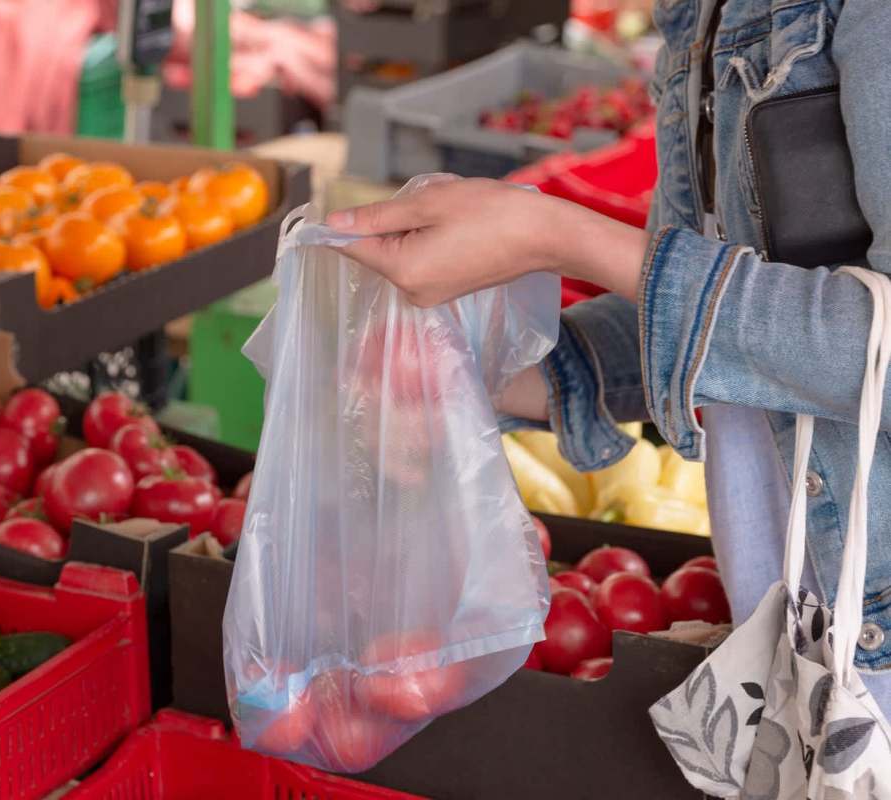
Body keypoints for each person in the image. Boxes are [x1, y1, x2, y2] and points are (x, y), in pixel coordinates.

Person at [326, 0, 891, 709]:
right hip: (798, 638)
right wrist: (501, 370)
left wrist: (556, 237)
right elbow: (715, 305)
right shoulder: (701, 13)